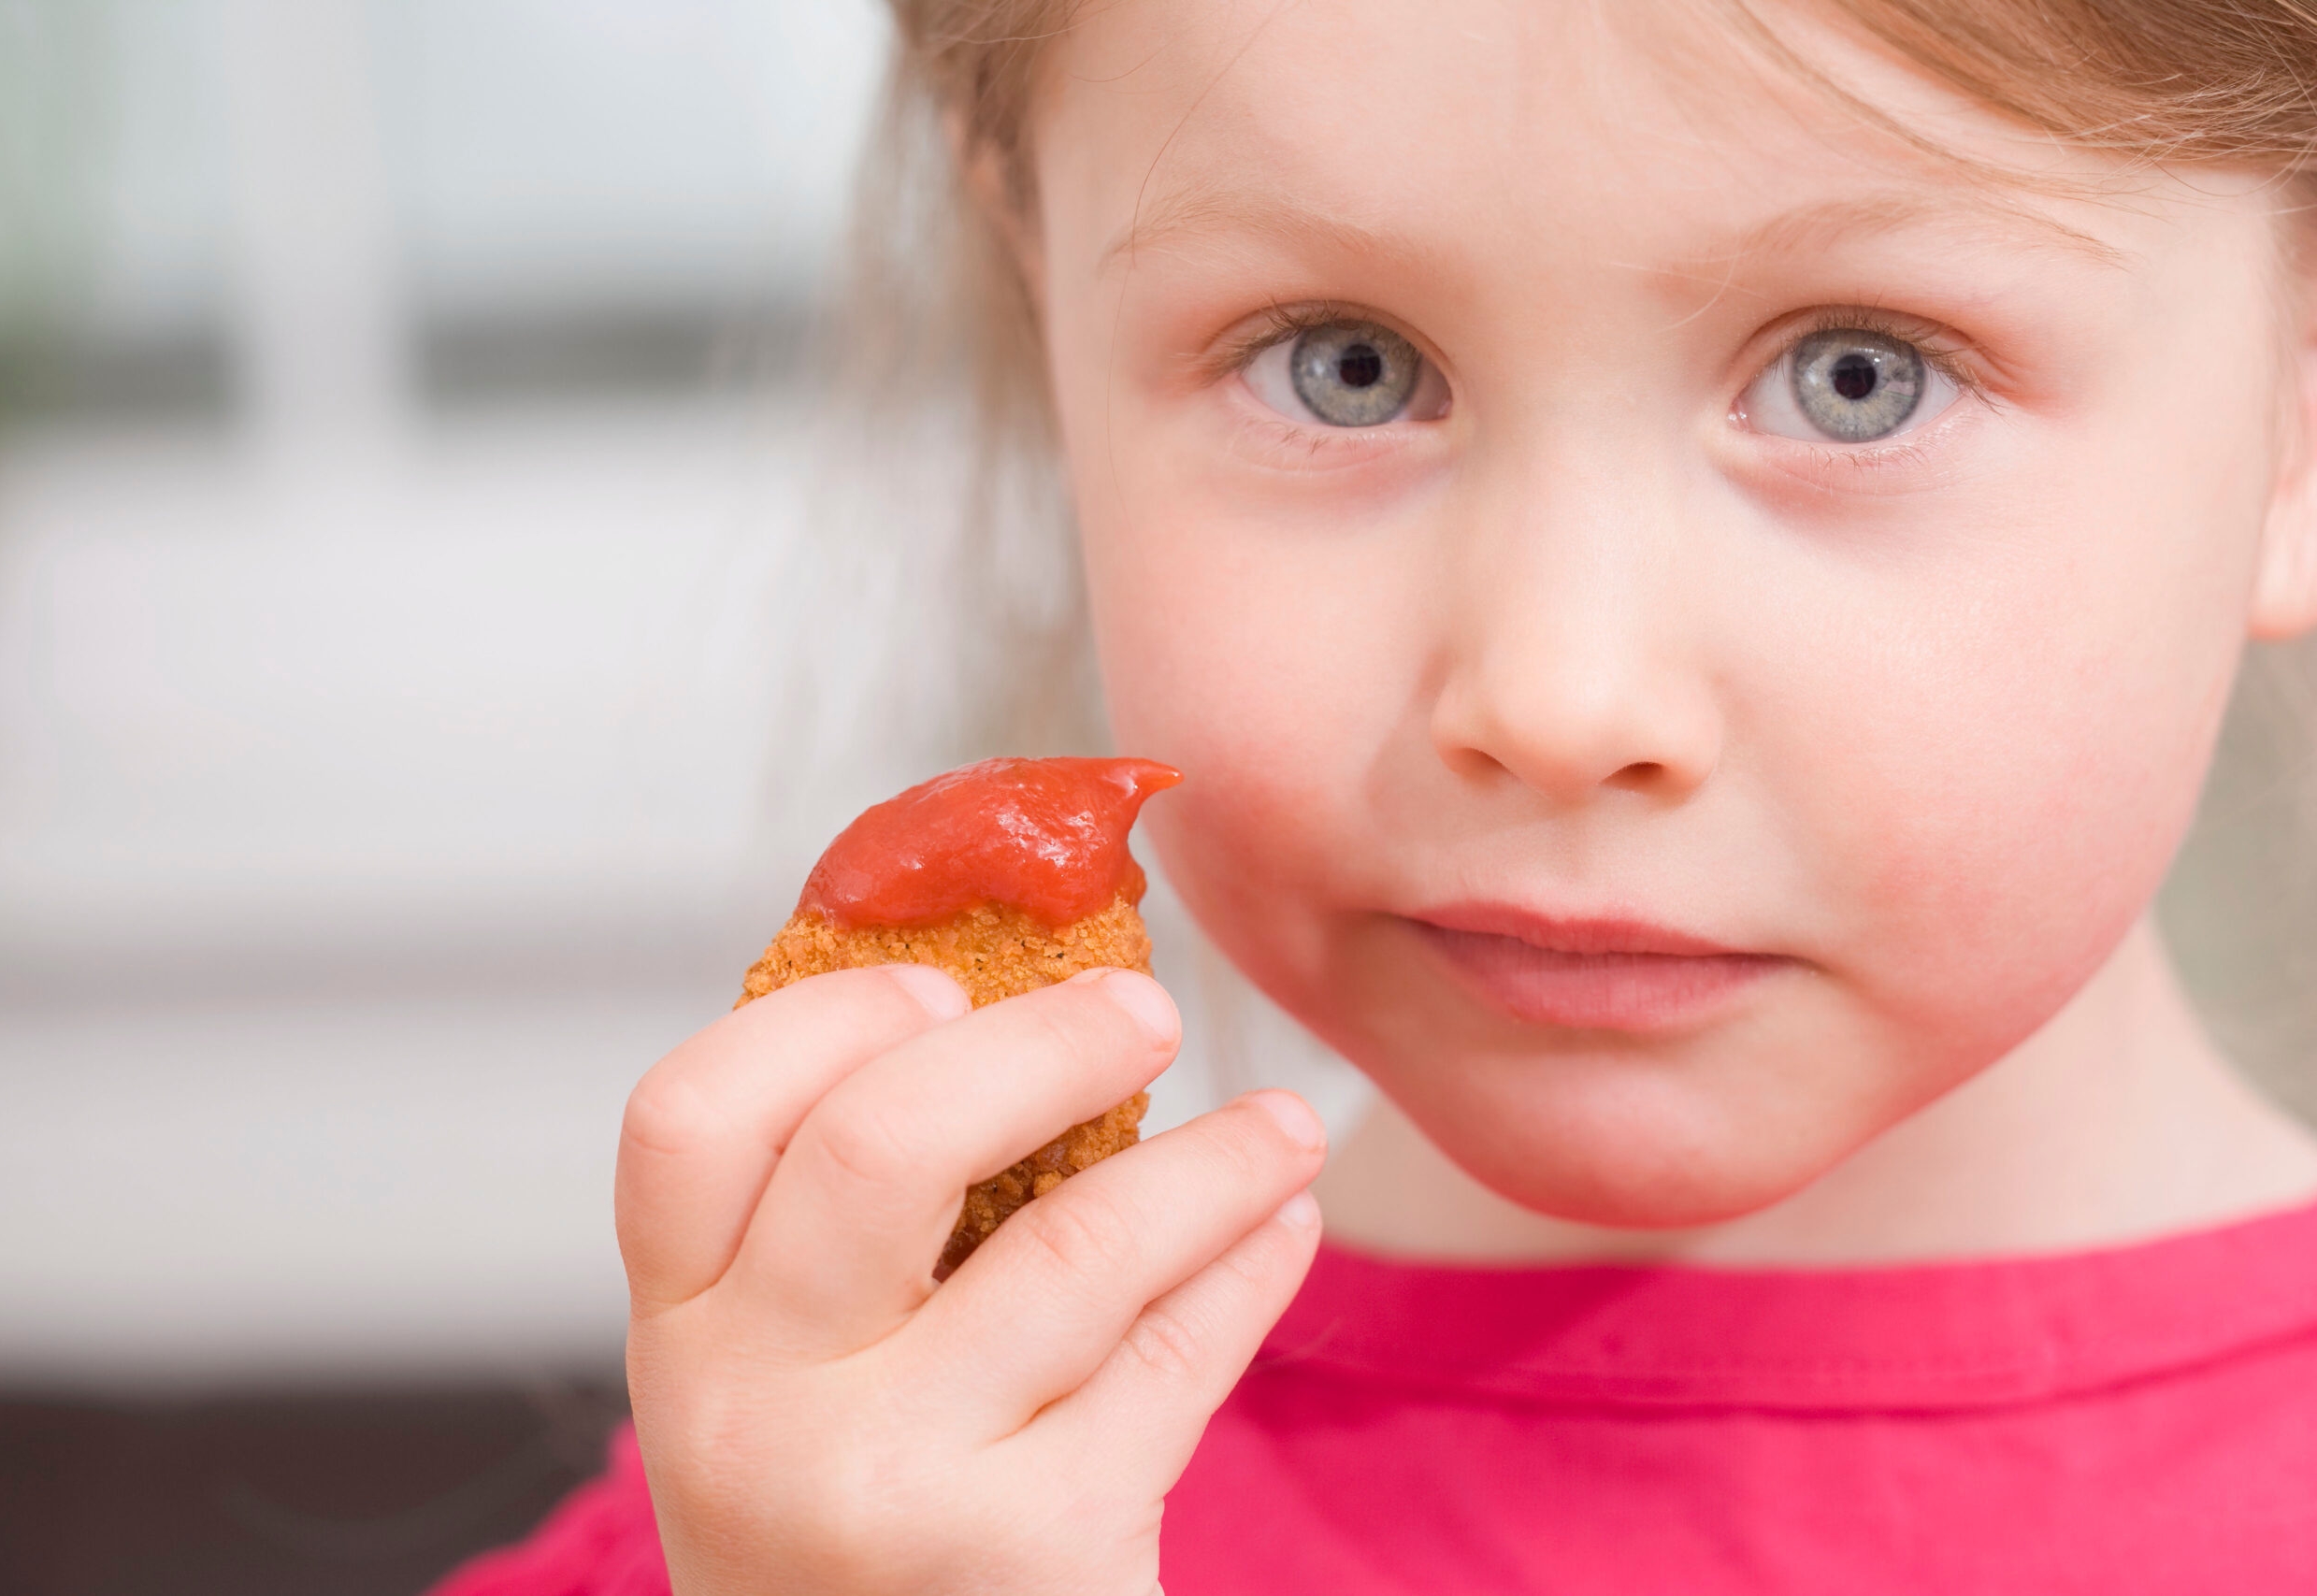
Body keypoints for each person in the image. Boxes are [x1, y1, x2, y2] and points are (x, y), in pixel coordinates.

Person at [433, 0, 2317, 1589]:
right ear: (1038, 279)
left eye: (1856, 376)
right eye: (1342, 367)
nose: (1554, 695)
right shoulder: (832, 1527)